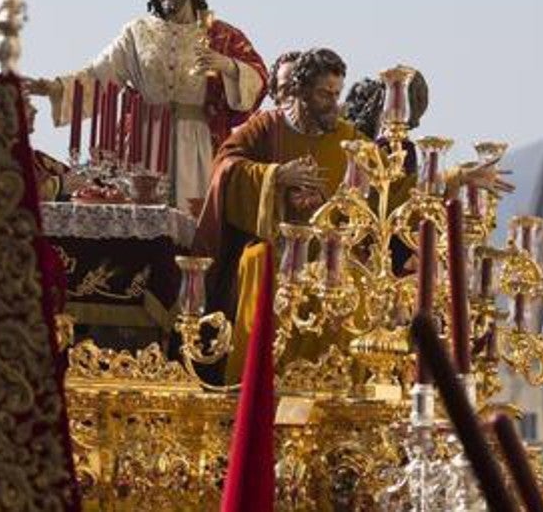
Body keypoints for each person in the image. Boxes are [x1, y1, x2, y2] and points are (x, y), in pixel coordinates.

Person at [193, 48, 510, 381]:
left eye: (336, 93)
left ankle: (338, 394)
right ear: (300, 91)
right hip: (276, 256)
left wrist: (456, 176)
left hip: (331, 264)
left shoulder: (351, 141)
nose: (332, 102)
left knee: (355, 292)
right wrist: (274, 176)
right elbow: (225, 166)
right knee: (260, 271)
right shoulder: (266, 128)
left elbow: (396, 190)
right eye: (323, 93)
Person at [29, 0, 268, 212]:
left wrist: (227, 65)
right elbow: (100, 74)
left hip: (199, 139)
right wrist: (55, 88)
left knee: (197, 220)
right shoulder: (137, 32)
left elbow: (258, 75)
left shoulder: (220, 33)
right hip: (145, 139)